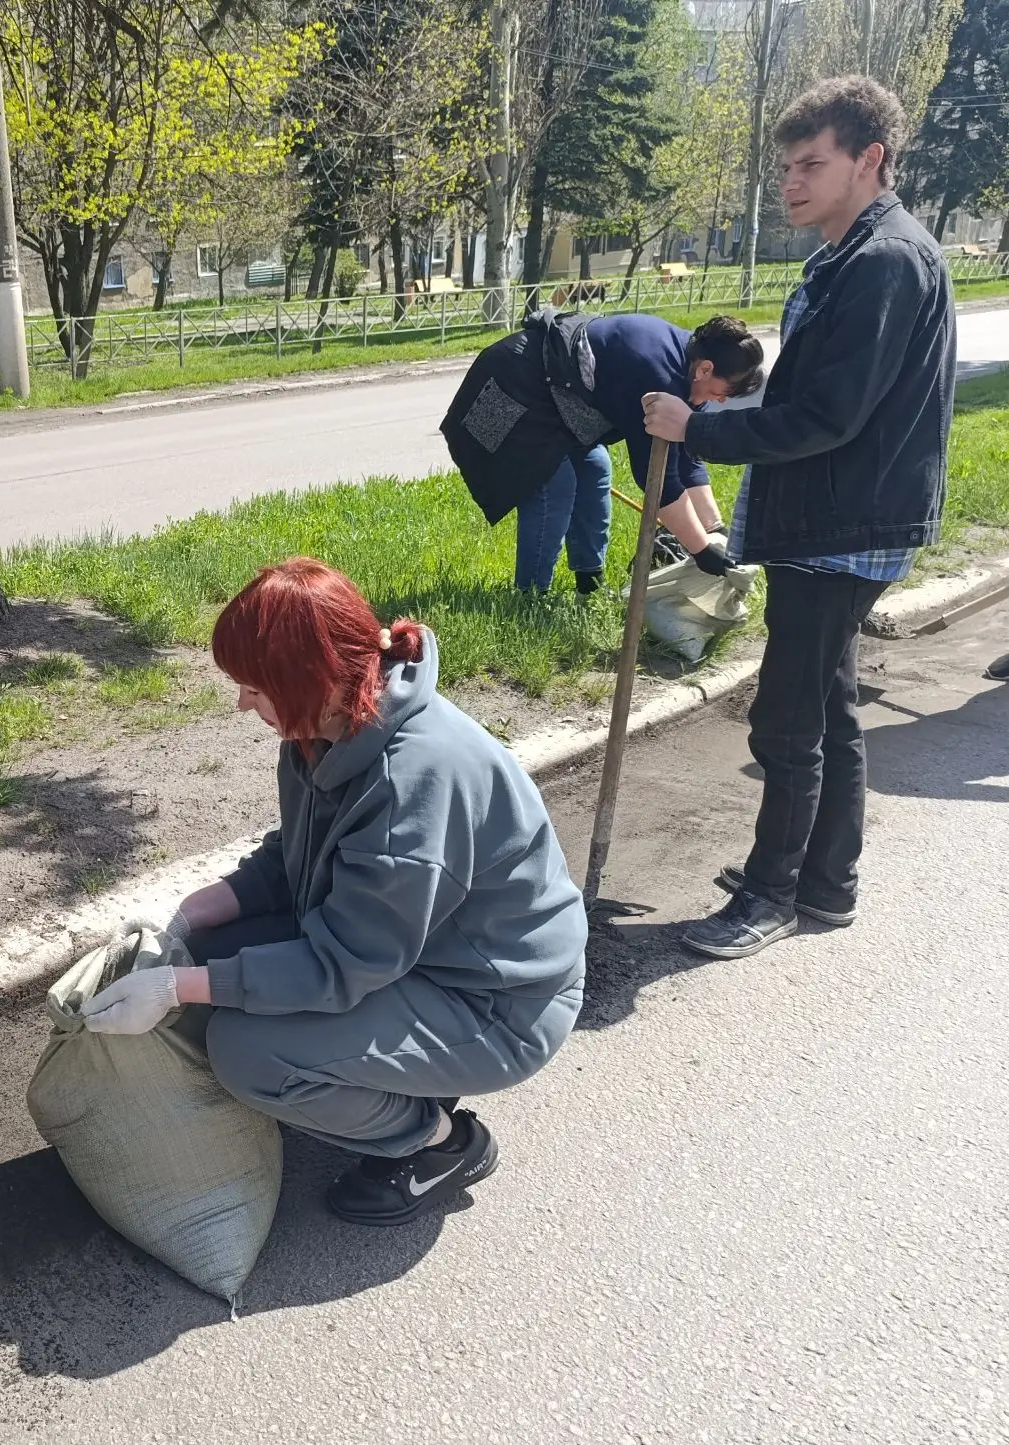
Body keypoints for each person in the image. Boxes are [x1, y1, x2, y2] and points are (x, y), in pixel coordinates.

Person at [79, 558, 587, 1225]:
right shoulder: (326, 729)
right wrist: (185, 915)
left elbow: (339, 964)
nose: (242, 704)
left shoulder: (414, 784)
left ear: (307, 681)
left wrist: (178, 989)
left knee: (246, 1051)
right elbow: (297, 861)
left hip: (495, 1005)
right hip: (411, 958)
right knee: (206, 947)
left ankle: (437, 1143)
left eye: (254, 689)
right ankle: (359, 1078)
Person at [643, 77, 955, 961]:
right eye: (786, 165)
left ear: (871, 159)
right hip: (843, 518)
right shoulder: (850, 255)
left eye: (811, 163)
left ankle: (771, 894)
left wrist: (697, 425)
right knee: (832, 706)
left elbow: (828, 416)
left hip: (842, 528)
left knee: (786, 720)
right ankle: (826, 884)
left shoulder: (885, 262)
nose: (791, 180)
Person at [441, 309, 766, 593]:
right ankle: (530, 596)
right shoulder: (657, 373)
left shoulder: (691, 368)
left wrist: (713, 529)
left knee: (595, 468)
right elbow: (658, 483)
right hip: (514, 386)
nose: (722, 400)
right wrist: (701, 551)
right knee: (554, 484)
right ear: (706, 369)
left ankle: (589, 585)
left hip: (559, 399)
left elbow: (685, 458)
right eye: (726, 391)